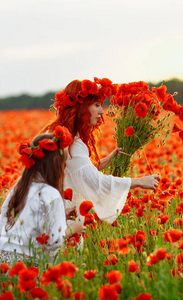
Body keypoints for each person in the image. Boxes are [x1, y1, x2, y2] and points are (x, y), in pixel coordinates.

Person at [41, 78, 160, 224]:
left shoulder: (60, 134)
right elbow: (95, 181)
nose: (102, 111)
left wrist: (105, 161)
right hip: (61, 220)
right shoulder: (71, 142)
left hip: (52, 213)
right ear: (82, 107)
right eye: (97, 105)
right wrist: (139, 181)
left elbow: (75, 171)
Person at [0, 127, 85, 276]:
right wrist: (73, 229)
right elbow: (53, 241)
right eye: (63, 164)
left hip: (0, 263)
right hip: (27, 266)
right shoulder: (51, 193)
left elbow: (20, 220)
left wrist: (61, 215)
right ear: (55, 163)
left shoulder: (19, 188)